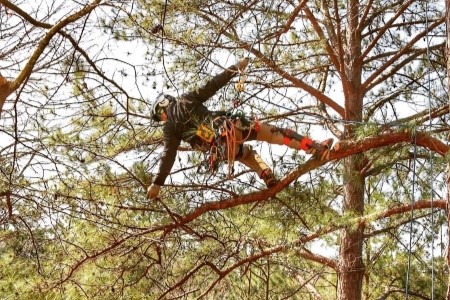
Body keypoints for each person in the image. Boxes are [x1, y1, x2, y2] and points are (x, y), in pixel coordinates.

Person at [147, 58, 333, 199]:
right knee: (274, 134)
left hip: (221, 150)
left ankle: (266, 174)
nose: (163, 120)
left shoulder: (170, 128)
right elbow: (213, 84)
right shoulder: (186, 99)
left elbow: (168, 155)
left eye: (160, 117)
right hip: (230, 128)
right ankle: (313, 146)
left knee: (244, 154)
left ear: (162, 110)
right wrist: (236, 67)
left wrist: (157, 183)